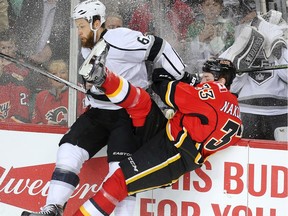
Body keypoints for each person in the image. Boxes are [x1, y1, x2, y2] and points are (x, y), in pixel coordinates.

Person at [21, 0, 197, 215]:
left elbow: (160, 46)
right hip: (98, 112)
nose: (79, 31)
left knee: (120, 173)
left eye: (82, 26)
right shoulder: (87, 45)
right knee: (68, 151)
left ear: (97, 22)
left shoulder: (121, 38)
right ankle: (53, 208)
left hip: (128, 115)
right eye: (77, 26)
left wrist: (182, 76)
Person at [71, 55, 242, 215]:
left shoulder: (215, 93)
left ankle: (104, 78)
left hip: (173, 155)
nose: (203, 81)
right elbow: (204, 118)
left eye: (207, 78)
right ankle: (102, 77)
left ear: (221, 81)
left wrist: (164, 78)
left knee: (119, 181)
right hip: (169, 137)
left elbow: (166, 90)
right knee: (143, 102)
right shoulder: (235, 112)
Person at [220, 11, 288, 140]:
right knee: (247, 156)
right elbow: (226, 86)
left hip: (281, 114)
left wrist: (278, 47)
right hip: (247, 112)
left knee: (281, 158)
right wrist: (242, 57)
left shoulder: (284, 47)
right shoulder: (240, 44)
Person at [32, 59, 86, 126]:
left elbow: (86, 119)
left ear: (69, 74)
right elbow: (36, 123)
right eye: (54, 74)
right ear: (49, 78)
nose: (59, 76)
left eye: (63, 72)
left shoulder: (80, 91)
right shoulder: (41, 97)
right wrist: (47, 127)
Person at [0, 31, 30, 123]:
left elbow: (22, 78)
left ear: (15, 47)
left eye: (9, 47)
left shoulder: (20, 64)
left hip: (12, 102)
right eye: (3, 48)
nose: (7, 50)